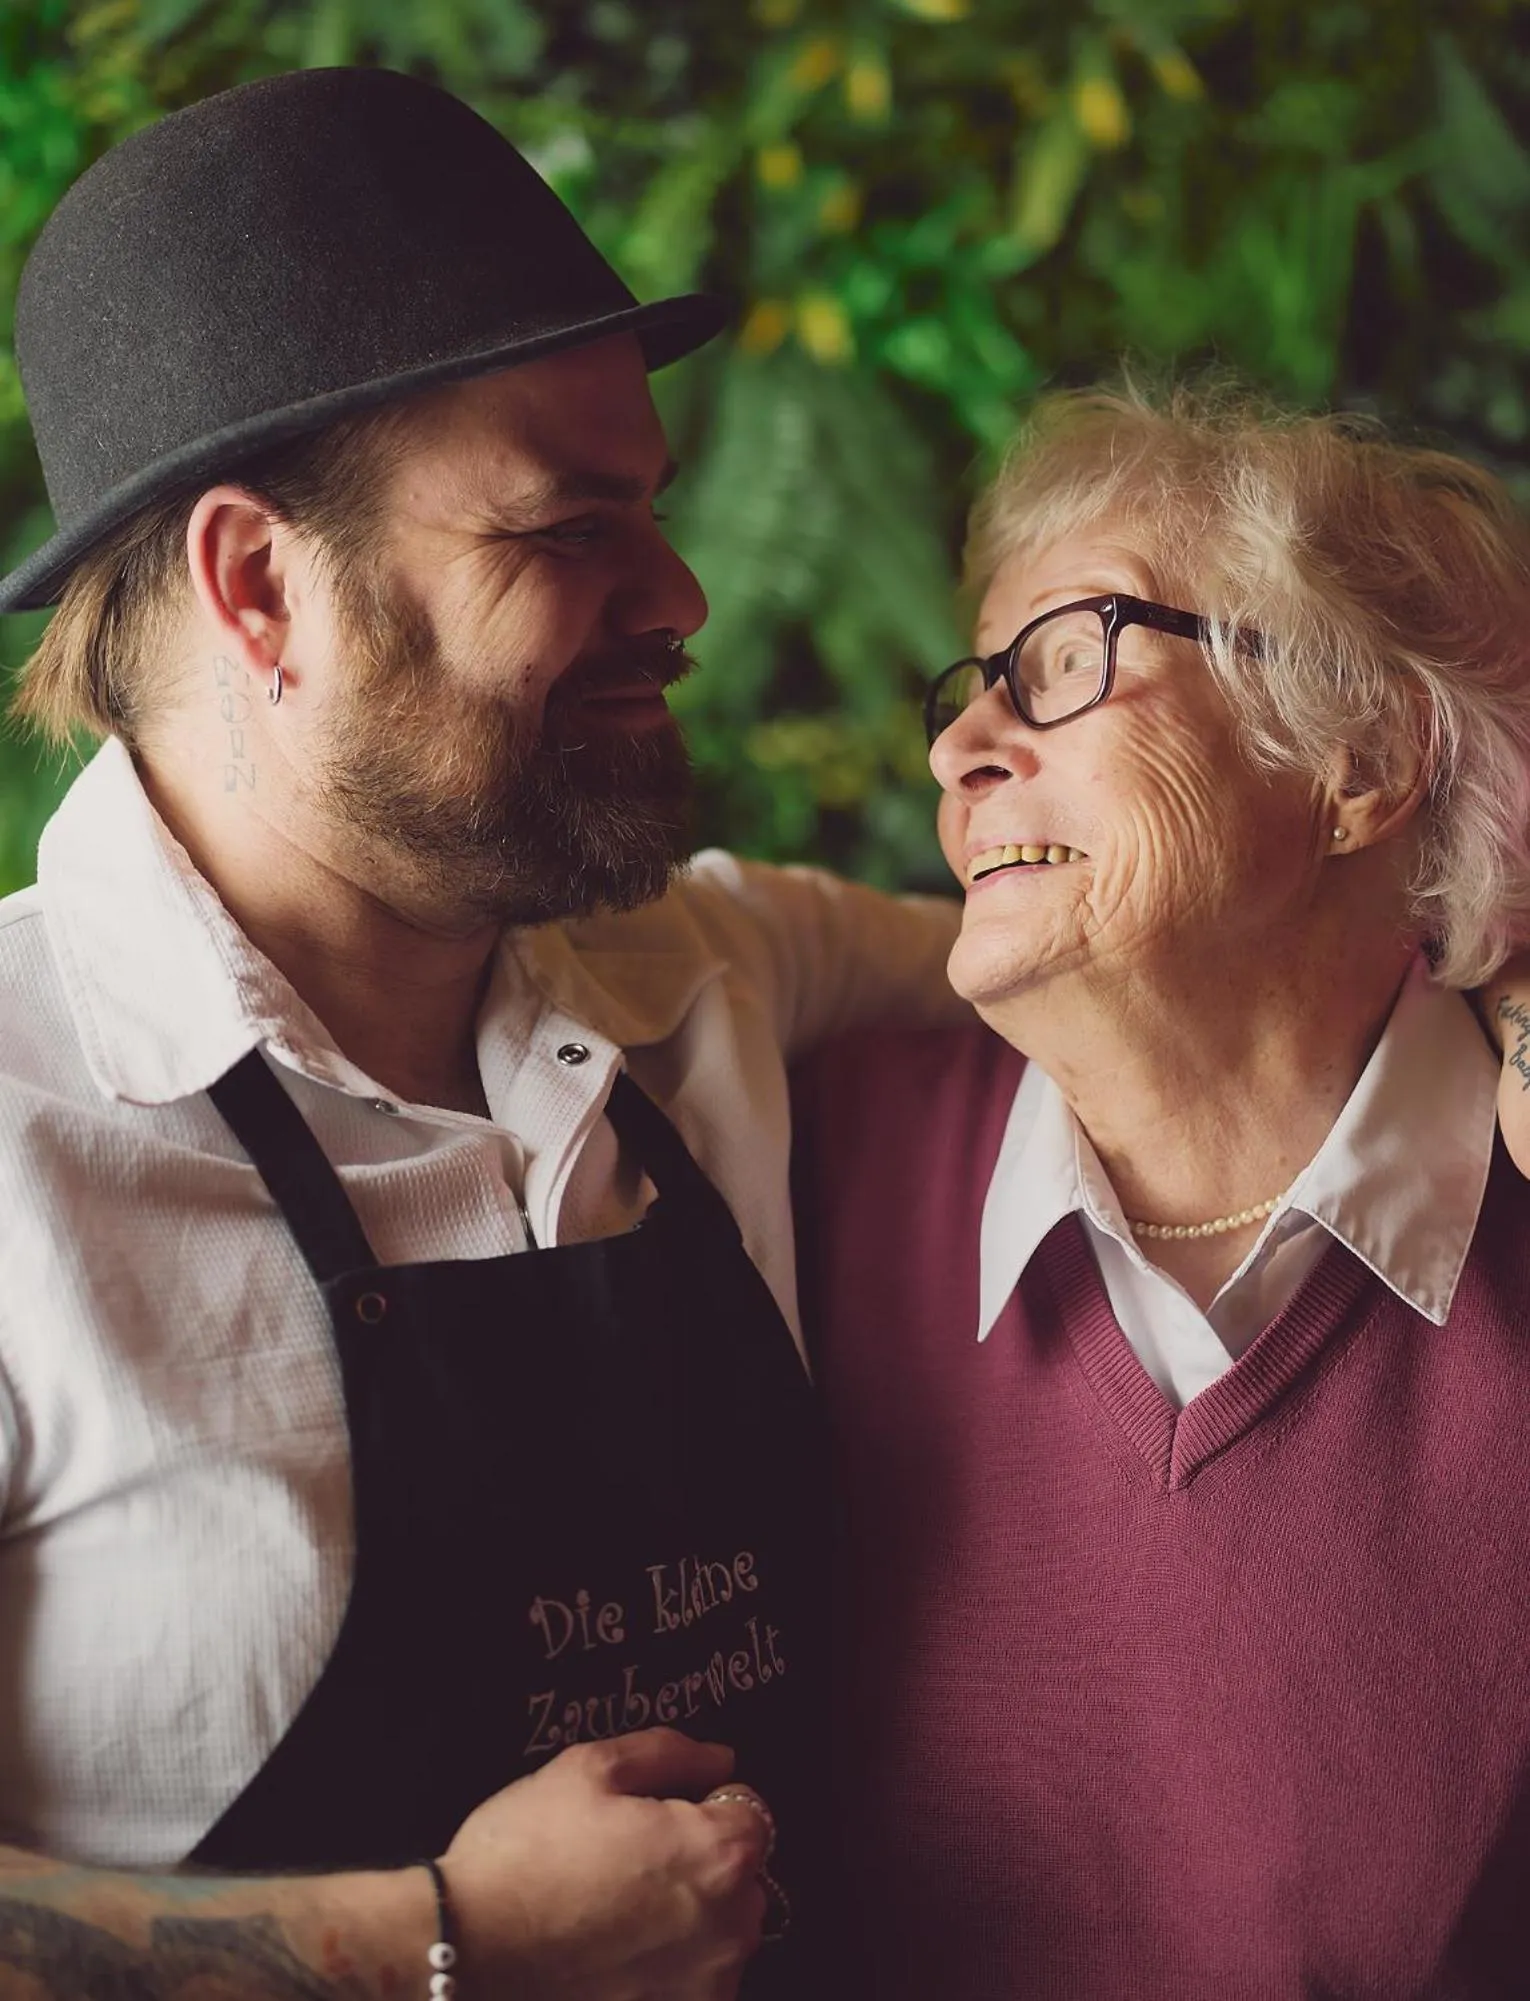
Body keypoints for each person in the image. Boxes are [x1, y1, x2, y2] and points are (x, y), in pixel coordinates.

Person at [0, 66, 970, 2001]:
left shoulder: (702, 972)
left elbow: (1140, 938)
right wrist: (450, 1942)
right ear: (258, 586)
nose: (679, 596)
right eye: (567, 529)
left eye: (652, 513)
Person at [793, 381, 1530, 1998]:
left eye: (1067, 658)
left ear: (1356, 760)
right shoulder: (803, 1169)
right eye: (975, 683)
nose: (959, 747)